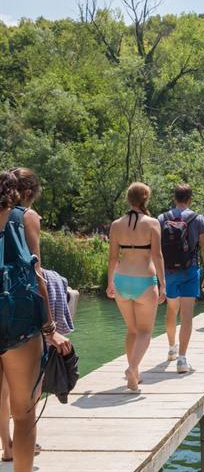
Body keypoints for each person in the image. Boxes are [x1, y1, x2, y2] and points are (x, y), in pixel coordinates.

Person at [0, 169, 70, 471]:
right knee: (24, 413)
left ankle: (5, 447)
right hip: (18, 323)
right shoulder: (21, 218)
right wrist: (50, 329)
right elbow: (36, 274)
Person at [107, 182, 165, 391]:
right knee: (145, 332)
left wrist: (109, 283)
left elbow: (113, 258)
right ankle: (133, 368)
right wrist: (163, 283)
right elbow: (157, 256)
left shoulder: (116, 224)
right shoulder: (152, 223)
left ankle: (135, 376)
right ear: (145, 199)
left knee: (132, 330)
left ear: (128, 199)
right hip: (144, 280)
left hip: (121, 279)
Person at [157, 184, 204, 374]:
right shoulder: (198, 218)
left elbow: (156, 250)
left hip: (168, 271)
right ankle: (182, 359)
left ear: (174, 198)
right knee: (187, 315)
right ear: (190, 199)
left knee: (172, 310)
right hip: (190, 271)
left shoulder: (161, 218)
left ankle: (172, 348)